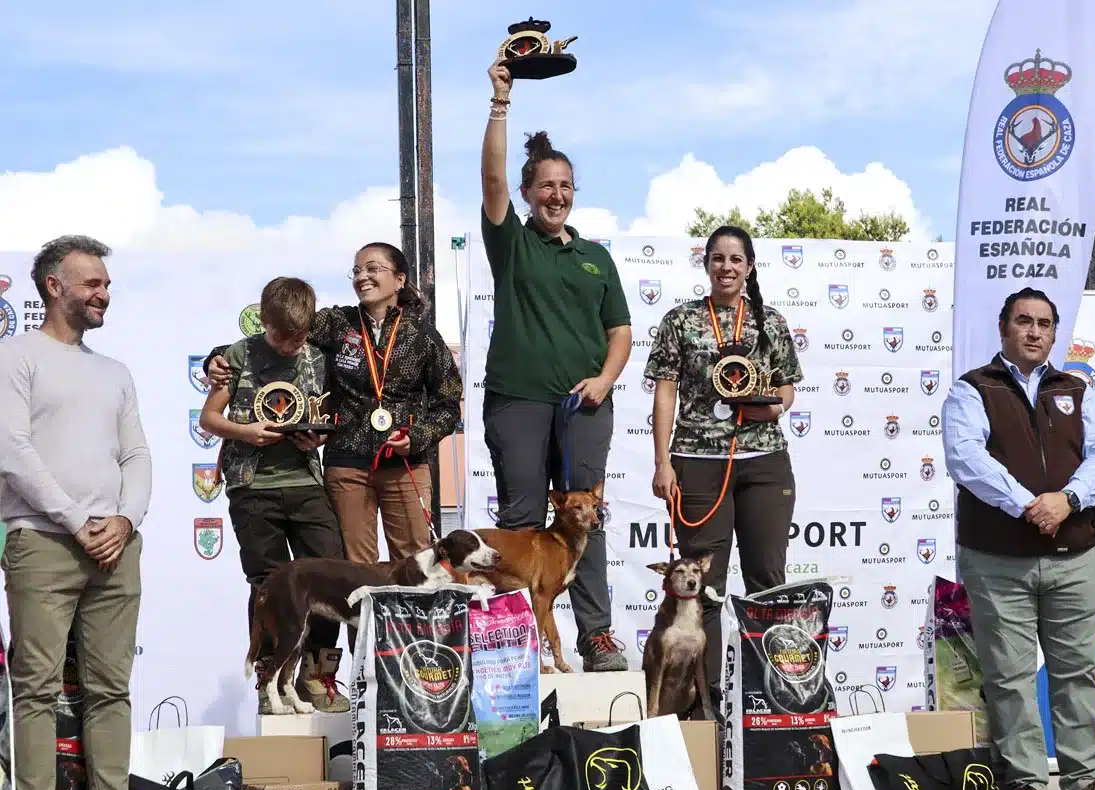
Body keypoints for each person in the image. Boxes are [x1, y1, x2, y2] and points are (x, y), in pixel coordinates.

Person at [481, 61, 633, 671]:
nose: (557, 194)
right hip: (518, 399)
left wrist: (603, 379)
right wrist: (499, 105)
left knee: (582, 520)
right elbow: (491, 180)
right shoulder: (513, 242)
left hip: (586, 406)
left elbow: (620, 333)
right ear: (527, 194)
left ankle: (595, 637)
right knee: (521, 522)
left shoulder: (596, 257)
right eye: (545, 185)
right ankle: (513, 642)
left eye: (566, 185)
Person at [942, 286, 1095, 790]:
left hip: (1075, 559)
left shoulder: (1076, 389)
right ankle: (1024, 781)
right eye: (1024, 321)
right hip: (998, 562)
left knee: (1078, 676)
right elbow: (965, 457)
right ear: (1004, 329)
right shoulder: (972, 389)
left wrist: (1067, 499)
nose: (1035, 331)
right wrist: (1027, 503)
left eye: (1044, 323)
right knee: (1009, 678)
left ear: (1054, 333)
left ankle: (1085, 779)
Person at [0, 235, 152, 790]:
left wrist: (126, 521)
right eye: (93, 284)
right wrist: (76, 520)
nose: (104, 294)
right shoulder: (14, 356)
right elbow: (12, 449)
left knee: (112, 690)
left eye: (107, 285)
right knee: (35, 690)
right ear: (54, 286)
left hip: (116, 548)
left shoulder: (115, 371)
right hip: (41, 542)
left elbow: (136, 455)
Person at [204, 243, 462, 565]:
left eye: (372, 268)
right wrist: (217, 356)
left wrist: (418, 437)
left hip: (403, 464)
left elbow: (449, 403)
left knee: (414, 565)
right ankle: (364, 619)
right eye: (356, 271)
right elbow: (280, 333)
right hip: (347, 466)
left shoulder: (423, 336)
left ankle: (409, 619)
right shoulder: (337, 323)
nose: (362, 277)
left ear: (399, 279)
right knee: (355, 567)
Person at [645, 224, 801, 703]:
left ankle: (768, 698)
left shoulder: (769, 321)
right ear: (706, 264)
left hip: (763, 461)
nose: (727, 267)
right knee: (702, 585)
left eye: (736, 260)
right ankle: (704, 704)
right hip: (696, 461)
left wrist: (771, 407)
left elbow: (788, 387)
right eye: (718, 259)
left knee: (767, 582)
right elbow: (666, 389)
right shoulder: (680, 320)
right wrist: (662, 462)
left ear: (749, 267)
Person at [199, 277, 351, 714]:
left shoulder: (319, 359)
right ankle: (270, 678)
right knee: (268, 584)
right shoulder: (237, 357)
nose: (289, 345)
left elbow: (331, 415)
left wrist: (317, 439)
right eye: (282, 337)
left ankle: (319, 674)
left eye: (299, 337)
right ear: (264, 320)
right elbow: (210, 418)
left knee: (331, 576)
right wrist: (245, 431)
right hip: (252, 488)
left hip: (306, 483)